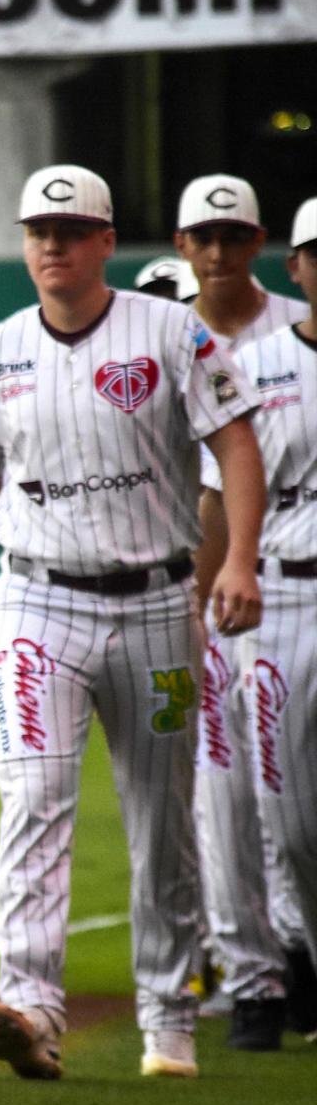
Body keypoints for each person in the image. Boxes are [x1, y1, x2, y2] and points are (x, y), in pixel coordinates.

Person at [0, 164, 265, 1082]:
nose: (53, 244)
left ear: (105, 240)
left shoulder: (170, 330)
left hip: (159, 599)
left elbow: (236, 441)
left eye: (72, 230)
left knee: (160, 819)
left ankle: (169, 1013)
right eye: (38, 231)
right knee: (33, 799)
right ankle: (31, 1005)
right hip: (37, 600)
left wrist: (238, 559)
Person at [172, 174, 310, 1050]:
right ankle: (252, 973)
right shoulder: (163, 332)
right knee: (221, 797)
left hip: (267, 582)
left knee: (285, 796)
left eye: (233, 235)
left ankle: (294, 950)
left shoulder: (292, 326)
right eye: (204, 236)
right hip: (192, 586)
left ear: (261, 244)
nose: (218, 251)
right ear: (183, 244)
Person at [210, 197, 317, 1044]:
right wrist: (209, 598)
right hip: (283, 596)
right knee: (289, 816)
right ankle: (296, 959)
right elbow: (218, 494)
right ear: (296, 265)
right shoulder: (257, 365)